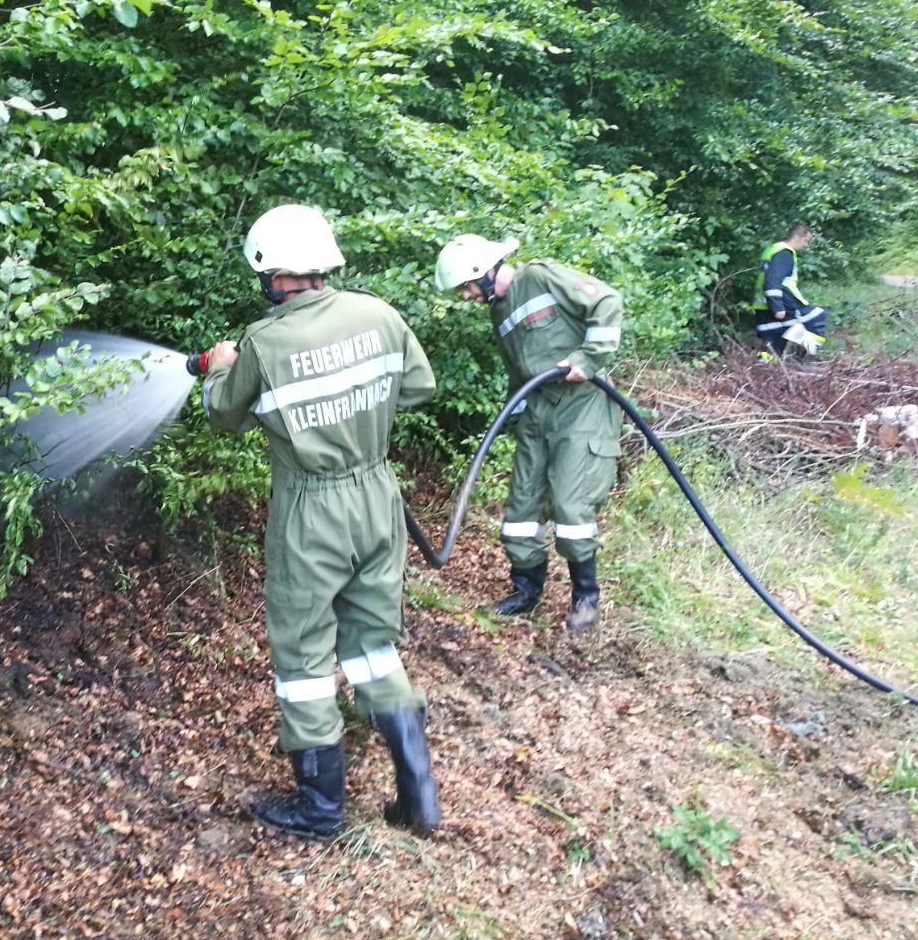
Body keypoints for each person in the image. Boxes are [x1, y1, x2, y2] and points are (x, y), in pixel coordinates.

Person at [193, 204, 440, 839]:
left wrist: (221, 365)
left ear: (270, 273)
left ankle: (321, 810)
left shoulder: (264, 342)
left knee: (303, 655)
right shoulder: (378, 315)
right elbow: (418, 388)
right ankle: (418, 794)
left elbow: (224, 414)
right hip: (377, 495)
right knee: (371, 645)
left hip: (312, 507)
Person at [433, 235, 623, 631]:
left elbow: (607, 301)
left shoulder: (540, 277)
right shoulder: (499, 309)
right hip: (536, 409)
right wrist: (516, 415)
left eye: (466, 286)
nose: (466, 296)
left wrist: (588, 358)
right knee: (521, 506)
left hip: (580, 406)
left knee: (570, 504)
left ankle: (586, 598)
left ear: (484, 272)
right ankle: (526, 591)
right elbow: (518, 369)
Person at [755, 223, 828, 358]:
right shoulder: (784, 253)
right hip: (782, 303)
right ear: (797, 237)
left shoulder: (772, 249)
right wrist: (777, 306)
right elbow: (772, 280)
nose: (806, 245)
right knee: (816, 316)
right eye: (806, 240)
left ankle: (765, 366)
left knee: (773, 344)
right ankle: (806, 357)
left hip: (763, 305)